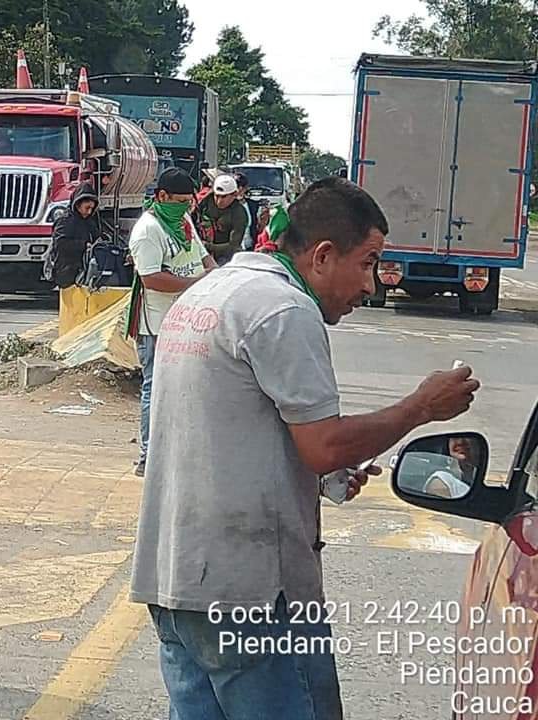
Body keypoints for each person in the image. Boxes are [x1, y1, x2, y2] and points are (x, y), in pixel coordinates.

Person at [129, 176, 480, 719]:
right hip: (250, 595)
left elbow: (235, 427)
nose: (371, 286)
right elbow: (324, 445)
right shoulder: (284, 310)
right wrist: (421, 407)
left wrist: (328, 470)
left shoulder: (216, 290)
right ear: (321, 255)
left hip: (177, 582)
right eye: (367, 263)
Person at [126, 167, 217, 477]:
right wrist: (196, 284)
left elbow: (203, 257)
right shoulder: (148, 230)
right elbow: (151, 278)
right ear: (161, 197)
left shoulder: (182, 221)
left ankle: (178, 450)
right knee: (155, 387)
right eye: (178, 201)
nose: (185, 206)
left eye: (188, 201)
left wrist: (215, 279)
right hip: (156, 324)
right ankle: (148, 455)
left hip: (187, 321)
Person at [46, 183, 101, 289]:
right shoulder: (65, 220)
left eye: (92, 209)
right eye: (87, 208)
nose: (89, 212)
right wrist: (84, 245)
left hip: (82, 272)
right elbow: (60, 244)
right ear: (77, 204)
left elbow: (96, 236)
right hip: (67, 273)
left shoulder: (89, 221)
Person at [197, 173, 248, 265]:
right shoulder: (206, 201)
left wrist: (208, 246)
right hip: (200, 252)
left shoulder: (239, 213)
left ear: (234, 195)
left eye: (224, 197)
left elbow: (233, 245)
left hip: (225, 257)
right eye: (217, 196)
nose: (219, 201)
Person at [234, 171, 261, 250]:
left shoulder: (253, 205)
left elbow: (256, 227)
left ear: (245, 188)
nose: (239, 189)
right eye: (237, 186)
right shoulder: (227, 205)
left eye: (242, 186)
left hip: (249, 247)